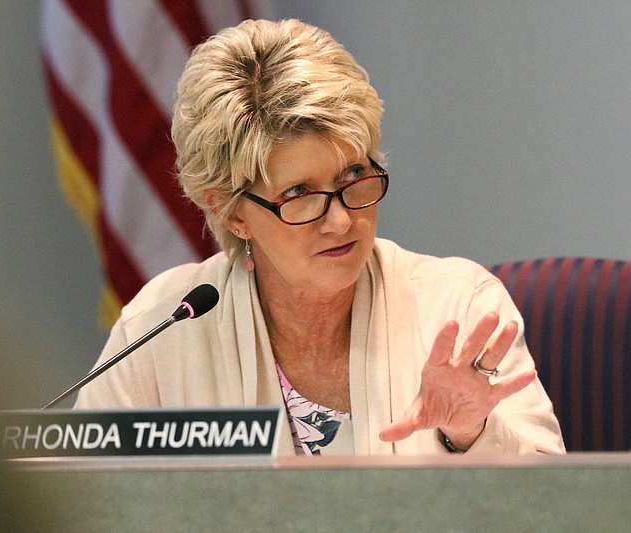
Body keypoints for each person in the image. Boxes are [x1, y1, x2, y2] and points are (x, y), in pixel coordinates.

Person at [74, 18, 565, 456]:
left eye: (353, 175)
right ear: (229, 211)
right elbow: (80, 505)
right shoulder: (161, 328)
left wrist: (473, 436)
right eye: (300, 194)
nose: (341, 221)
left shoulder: (458, 308)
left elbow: (560, 506)